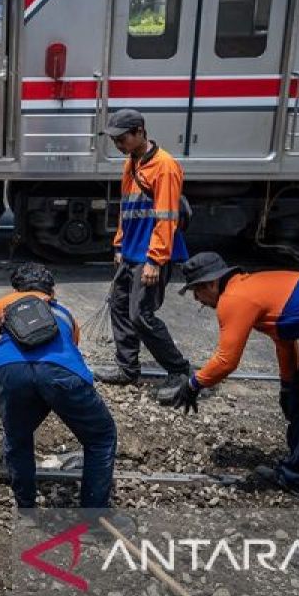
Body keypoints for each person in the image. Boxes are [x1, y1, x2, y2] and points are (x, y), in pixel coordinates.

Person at [165, 252, 299, 568]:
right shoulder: (253, 287)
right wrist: (288, 384)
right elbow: (285, 338)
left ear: (210, 284)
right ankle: (296, 475)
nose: (199, 300)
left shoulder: (234, 298)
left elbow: (226, 360)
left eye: (197, 292)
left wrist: (193, 384)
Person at [0, 264, 118, 517]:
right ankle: (93, 517)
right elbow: (70, 349)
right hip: (60, 375)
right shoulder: (65, 314)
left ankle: (27, 511)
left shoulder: (1, 307)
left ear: (16, 289)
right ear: (51, 292)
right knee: (101, 438)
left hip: (12, 373)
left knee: (17, 438)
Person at [94, 109, 191, 393]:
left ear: (139, 132)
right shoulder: (131, 163)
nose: (117, 144)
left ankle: (179, 370)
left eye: (121, 138)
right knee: (119, 306)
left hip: (151, 255)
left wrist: (155, 260)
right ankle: (127, 369)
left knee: (141, 315)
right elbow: (127, 209)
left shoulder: (165, 166)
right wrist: (120, 245)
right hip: (132, 251)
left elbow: (167, 217)